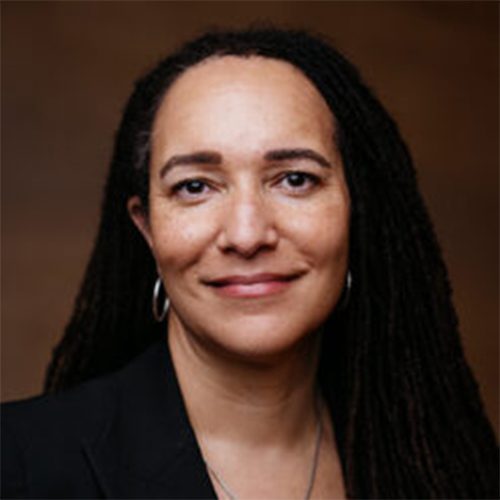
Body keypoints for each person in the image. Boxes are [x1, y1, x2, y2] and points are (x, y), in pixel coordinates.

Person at [1, 27, 498, 500]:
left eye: (295, 179)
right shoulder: (18, 466)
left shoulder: (444, 467)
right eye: (195, 186)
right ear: (147, 228)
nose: (246, 235)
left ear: (355, 210)